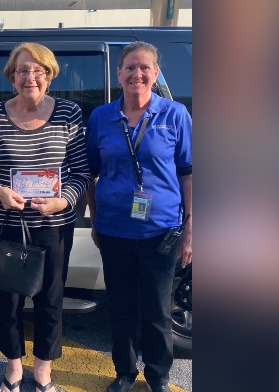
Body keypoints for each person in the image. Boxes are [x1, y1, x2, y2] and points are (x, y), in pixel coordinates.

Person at [0, 42, 91, 392]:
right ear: (12, 76)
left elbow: (82, 172)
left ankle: (42, 370)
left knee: (50, 298)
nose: (31, 77)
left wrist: (62, 201)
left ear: (50, 76)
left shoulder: (69, 113)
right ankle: (12, 367)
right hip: (8, 222)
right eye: (23, 70)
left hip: (53, 225)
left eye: (39, 71)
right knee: (9, 298)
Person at [84, 41, 192, 392]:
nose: (137, 73)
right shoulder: (101, 117)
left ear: (156, 73)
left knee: (158, 311)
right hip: (115, 231)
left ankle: (158, 376)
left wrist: (191, 229)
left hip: (161, 231)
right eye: (130, 67)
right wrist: (96, 219)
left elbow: (188, 173)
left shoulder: (175, 115)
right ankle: (125, 373)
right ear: (119, 74)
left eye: (145, 67)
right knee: (121, 307)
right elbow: (90, 172)